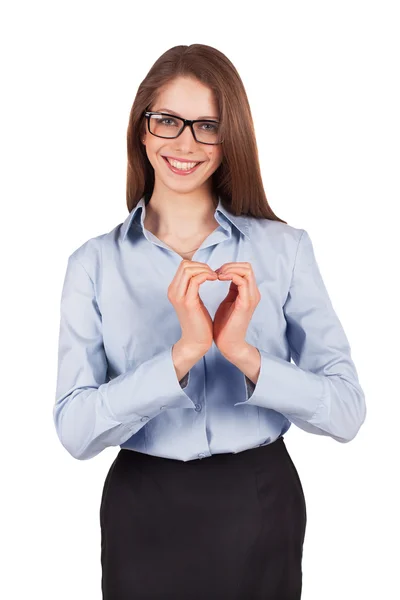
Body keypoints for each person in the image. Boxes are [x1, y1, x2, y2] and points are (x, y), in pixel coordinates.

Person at [53, 44, 366, 600]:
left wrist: (243, 354)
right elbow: (75, 432)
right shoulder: (93, 264)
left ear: (231, 139)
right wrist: (182, 354)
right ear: (142, 131)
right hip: (142, 511)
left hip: (259, 502)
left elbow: (345, 414)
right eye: (168, 121)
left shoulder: (284, 249)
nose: (185, 143)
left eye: (208, 126)